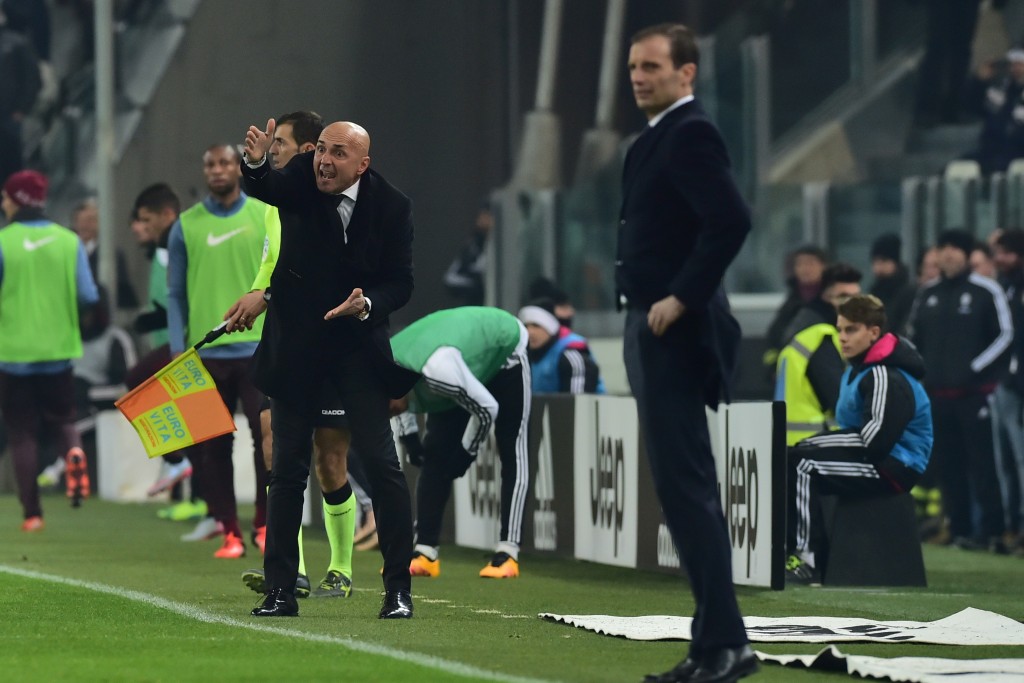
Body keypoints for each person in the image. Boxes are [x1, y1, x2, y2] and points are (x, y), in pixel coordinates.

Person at [618, 23, 756, 683]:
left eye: (651, 66)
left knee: (689, 490)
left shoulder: (690, 132)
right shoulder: (657, 136)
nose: (639, 77)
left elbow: (731, 219)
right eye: (634, 67)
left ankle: (728, 643)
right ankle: (709, 644)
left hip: (672, 331)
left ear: (687, 73)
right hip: (649, 329)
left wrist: (681, 297)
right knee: (679, 493)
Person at [240, 118, 419, 619]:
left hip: (356, 349)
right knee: (286, 471)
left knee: (383, 468)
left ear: (363, 164)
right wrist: (254, 163)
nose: (324, 160)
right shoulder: (299, 176)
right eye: (321, 149)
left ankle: (398, 591)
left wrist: (367, 306)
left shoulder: (392, 206)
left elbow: (401, 282)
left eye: (339, 153)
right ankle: (280, 591)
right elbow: (265, 186)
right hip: (296, 348)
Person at [227, 110, 361, 600]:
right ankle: (293, 570)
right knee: (276, 448)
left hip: (328, 345)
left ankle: (341, 569)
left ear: (308, 151)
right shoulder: (273, 204)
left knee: (329, 458)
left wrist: (264, 296)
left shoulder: (332, 201)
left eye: (280, 143)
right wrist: (260, 294)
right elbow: (274, 262)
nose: (274, 150)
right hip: (286, 344)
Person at [167, 144, 270, 559]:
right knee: (211, 446)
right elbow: (174, 295)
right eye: (209, 164)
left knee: (266, 440)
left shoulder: (264, 214)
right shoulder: (185, 225)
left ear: (238, 167)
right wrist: (178, 350)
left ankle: (264, 524)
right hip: (204, 352)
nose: (217, 170)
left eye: (225, 162)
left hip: (258, 348)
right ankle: (229, 531)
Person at [785, 295, 933, 583]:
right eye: (839, 329)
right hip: (878, 459)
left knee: (802, 465)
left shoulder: (882, 374)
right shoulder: (858, 368)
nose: (841, 338)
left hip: (896, 467)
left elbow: (874, 441)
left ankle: (806, 560)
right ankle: (801, 553)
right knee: (796, 458)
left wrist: (812, 445)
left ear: (873, 333)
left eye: (851, 330)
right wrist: (811, 445)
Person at [387, 306, 531, 579]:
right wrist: (409, 438)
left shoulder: (439, 373)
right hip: (456, 361)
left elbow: (487, 409)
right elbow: (394, 398)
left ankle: (508, 551)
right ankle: (425, 550)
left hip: (505, 353)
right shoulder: (387, 366)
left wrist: (466, 453)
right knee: (435, 454)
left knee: (512, 448)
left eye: (387, 408)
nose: (386, 414)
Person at [0, 170, 98, 530]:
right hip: (59, 349)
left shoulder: (3, 242)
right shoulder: (68, 241)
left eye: (7, 197)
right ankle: (73, 452)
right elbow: (89, 295)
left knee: (22, 433)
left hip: (13, 353)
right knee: (64, 420)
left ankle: (32, 515)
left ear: (17, 200)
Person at [908, 229, 1012, 553]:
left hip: (974, 396)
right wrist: (924, 373)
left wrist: (975, 370)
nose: (948, 254)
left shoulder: (986, 291)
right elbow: (913, 338)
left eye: (955, 248)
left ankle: (993, 532)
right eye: (943, 248)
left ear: (967, 255)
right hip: (938, 396)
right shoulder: (928, 293)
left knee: (983, 465)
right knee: (948, 466)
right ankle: (960, 530)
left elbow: (1005, 336)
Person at [124, 183, 204, 520]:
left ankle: (178, 461)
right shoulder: (160, 251)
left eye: (144, 221)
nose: (140, 229)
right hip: (176, 340)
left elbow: (185, 292)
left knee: (140, 380)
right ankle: (200, 500)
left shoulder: (179, 242)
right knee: (195, 418)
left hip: (191, 339)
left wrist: (161, 319)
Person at [775, 263, 862, 446]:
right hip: (816, 445)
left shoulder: (804, 326)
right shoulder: (821, 336)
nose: (853, 305)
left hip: (797, 443)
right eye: (844, 297)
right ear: (826, 297)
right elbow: (839, 401)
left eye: (857, 297)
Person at [990, 228, 1024, 552]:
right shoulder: (1008, 287)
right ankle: (1012, 527)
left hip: (1017, 385)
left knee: (1020, 459)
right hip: (1007, 383)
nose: (998, 260)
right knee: (1008, 462)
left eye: (1003, 252)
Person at [763, 244, 828, 380]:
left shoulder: (830, 301)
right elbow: (775, 339)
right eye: (800, 264)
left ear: (824, 266)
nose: (805, 269)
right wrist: (774, 367)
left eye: (810, 263)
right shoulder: (789, 305)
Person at [518, 297, 605, 394]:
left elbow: (577, 402)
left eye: (536, 325)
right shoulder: (521, 355)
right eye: (525, 326)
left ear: (550, 327)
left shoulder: (572, 353)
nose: (530, 332)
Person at [964, 46, 1024, 174]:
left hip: (1017, 154)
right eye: (1012, 64)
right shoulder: (999, 90)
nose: (1015, 69)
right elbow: (973, 107)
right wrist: (980, 82)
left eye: (1019, 64)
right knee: (958, 167)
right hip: (991, 151)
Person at [70, 198, 137, 310]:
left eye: (90, 220)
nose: (84, 226)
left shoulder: (113, 254)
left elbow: (123, 289)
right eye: (80, 221)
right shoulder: (69, 252)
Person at [0, 7, 40, 183]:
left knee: (12, 165)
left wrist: (22, 109)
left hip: (9, 117)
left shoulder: (16, 43)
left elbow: (32, 79)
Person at [443, 203, 492, 306]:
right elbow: (450, 279)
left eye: (487, 215)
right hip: (477, 305)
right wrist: (478, 285)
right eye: (482, 215)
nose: (482, 220)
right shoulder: (473, 246)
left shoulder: (505, 245)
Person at [868, 233, 916, 336]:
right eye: (875, 262)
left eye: (883, 261)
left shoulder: (908, 293)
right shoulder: (874, 292)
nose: (878, 267)